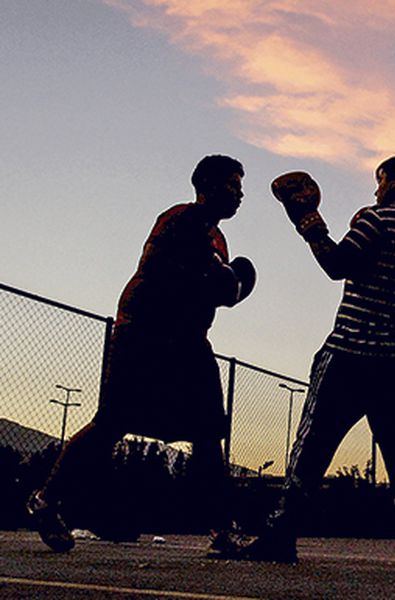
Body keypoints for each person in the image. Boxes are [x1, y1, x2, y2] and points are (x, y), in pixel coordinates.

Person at [26, 155, 255, 556]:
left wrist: (228, 284)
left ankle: (222, 529)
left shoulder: (217, 239)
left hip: (188, 343)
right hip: (144, 336)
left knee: (208, 436)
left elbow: (217, 293)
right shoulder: (180, 220)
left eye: (240, 186)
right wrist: (222, 280)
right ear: (209, 185)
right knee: (111, 424)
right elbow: (170, 273)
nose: (240, 194)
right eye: (233, 185)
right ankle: (45, 500)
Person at [238, 153, 395, 569]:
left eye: (381, 179)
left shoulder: (379, 219)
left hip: (352, 352)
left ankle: (281, 534)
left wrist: (309, 223)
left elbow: (337, 265)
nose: (376, 188)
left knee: (313, 444)